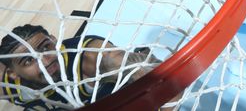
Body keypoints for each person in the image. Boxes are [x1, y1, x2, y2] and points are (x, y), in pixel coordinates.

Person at [0, 25, 155, 108]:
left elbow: (163, 78)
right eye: (28, 60)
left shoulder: (90, 59)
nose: (45, 61)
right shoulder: (9, 85)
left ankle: (142, 53)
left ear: (54, 40)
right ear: (12, 73)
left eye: (46, 47)